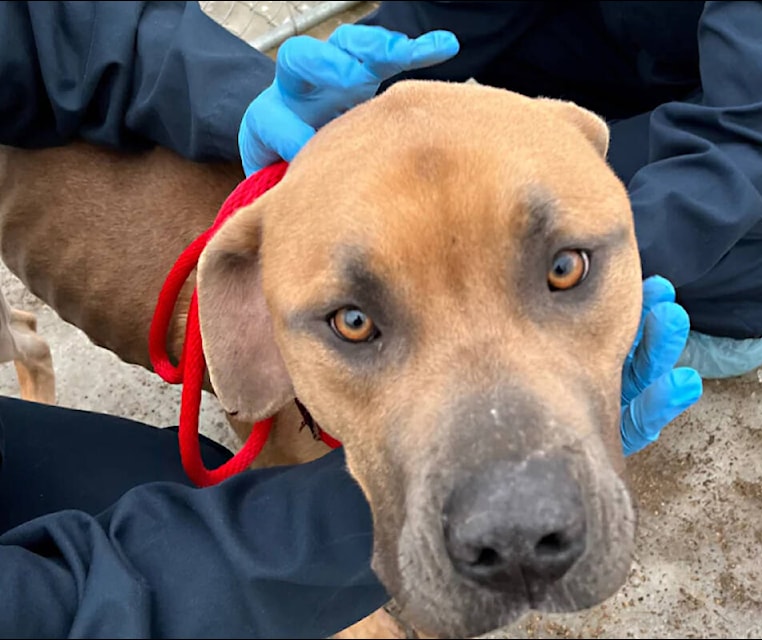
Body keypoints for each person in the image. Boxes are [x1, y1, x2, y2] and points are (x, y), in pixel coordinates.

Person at [0, 2, 701, 637]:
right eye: (357, 323)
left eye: (563, 271)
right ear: (243, 312)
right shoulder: (270, 292)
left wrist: (219, 94)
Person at [242, 1, 762, 380]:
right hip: (652, 43)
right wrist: (361, 68)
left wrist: (567, 275)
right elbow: (456, 12)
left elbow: (760, 127)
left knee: (546, 220)